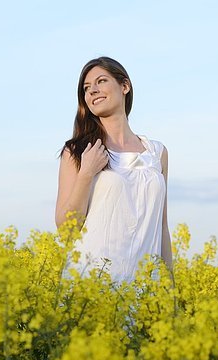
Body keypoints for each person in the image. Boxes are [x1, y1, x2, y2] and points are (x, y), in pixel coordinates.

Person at [55, 56, 174, 286]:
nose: (93, 91)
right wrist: (86, 173)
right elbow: (66, 231)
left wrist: (170, 291)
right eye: (86, 88)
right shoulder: (78, 151)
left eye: (101, 81)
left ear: (125, 86)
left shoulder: (157, 153)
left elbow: (162, 227)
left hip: (143, 288)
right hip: (91, 287)